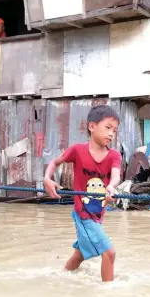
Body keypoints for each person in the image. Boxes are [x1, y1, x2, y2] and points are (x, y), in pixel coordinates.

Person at [43, 105, 122, 282]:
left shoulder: (114, 156)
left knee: (80, 255)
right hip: (83, 214)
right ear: (91, 126)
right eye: (108, 128)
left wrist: (111, 186)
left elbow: (115, 175)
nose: (111, 134)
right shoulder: (77, 150)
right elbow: (54, 163)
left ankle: (60, 277)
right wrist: (47, 178)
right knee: (109, 253)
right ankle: (108, 294)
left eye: (115, 130)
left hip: (98, 215)